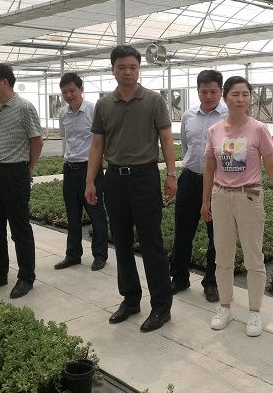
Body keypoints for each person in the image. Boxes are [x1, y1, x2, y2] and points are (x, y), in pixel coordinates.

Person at [85, 45, 177, 333]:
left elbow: (166, 138)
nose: (128, 72)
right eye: (122, 67)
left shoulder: (154, 100)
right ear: (113, 69)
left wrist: (171, 174)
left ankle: (161, 306)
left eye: (133, 67)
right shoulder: (103, 104)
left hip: (145, 177)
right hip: (114, 178)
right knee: (121, 241)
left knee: (151, 243)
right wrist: (90, 180)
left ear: (139, 69)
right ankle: (130, 299)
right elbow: (97, 145)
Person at [201, 76, 273, 337]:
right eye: (235, 94)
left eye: (245, 94)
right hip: (221, 197)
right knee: (222, 257)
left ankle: (254, 311)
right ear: (225, 98)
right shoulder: (215, 130)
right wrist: (205, 200)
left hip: (249, 197)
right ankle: (225, 307)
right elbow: (210, 167)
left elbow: (271, 165)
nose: (241, 99)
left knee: (254, 257)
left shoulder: (258, 129)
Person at [0, 63, 44, 299]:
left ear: (4, 81)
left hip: (14, 172)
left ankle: (26, 277)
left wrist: (28, 168)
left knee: (19, 227)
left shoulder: (24, 107)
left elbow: (37, 140)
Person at [170, 70, 227, 302]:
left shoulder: (229, 115)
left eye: (213, 91)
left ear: (221, 91)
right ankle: (179, 277)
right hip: (190, 179)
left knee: (217, 235)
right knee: (183, 231)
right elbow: (186, 146)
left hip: (219, 183)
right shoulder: (188, 115)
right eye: (204, 92)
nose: (208, 96)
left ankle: (212, 282)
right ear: (197, 91)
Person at [55, 72, 109, 272]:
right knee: (72, 214)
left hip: (90, 168)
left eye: (72, 91)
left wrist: (93, 173)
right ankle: (73, 255)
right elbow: (65, 137)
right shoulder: (63, 113)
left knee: (96, 212)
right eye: (64, 92)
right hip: (70, 168)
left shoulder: (94, 111)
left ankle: (100, 255)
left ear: (81, 89)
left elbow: (102, 141)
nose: (68, 95)